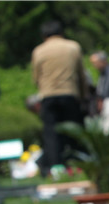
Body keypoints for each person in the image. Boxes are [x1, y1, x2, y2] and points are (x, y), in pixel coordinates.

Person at [31, 20, 87, 177]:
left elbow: (36, 77)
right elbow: (81, 74)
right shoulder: (73, 47)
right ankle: (76, 164)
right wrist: (83, 96)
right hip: (70, 93)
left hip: (48, 95)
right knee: (73, 131)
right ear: (61, 32)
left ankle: (56, 167)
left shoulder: (39, 51)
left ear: (44, 35)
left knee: (51, 132)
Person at [89, 50, 109, 131]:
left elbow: (106, 89)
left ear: (102, 61)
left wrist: (100, 99)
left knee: (108, 126)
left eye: (95, 63)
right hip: (106, 101)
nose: (94, 66)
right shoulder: (103, 72)